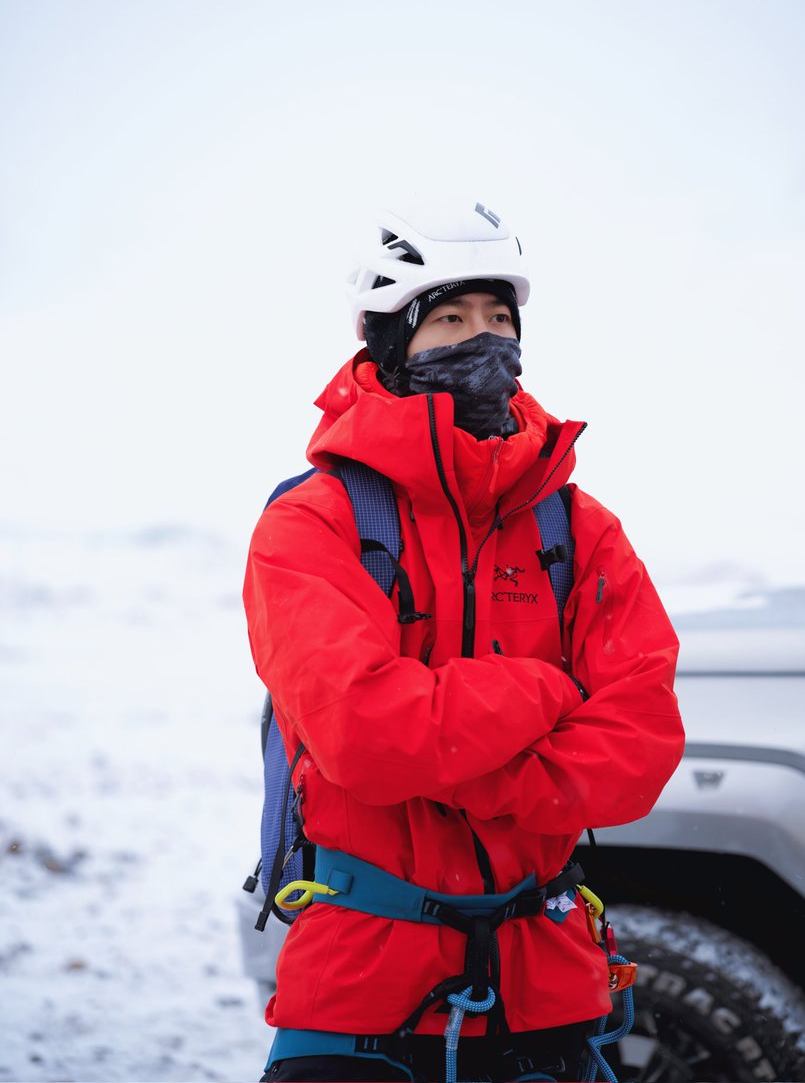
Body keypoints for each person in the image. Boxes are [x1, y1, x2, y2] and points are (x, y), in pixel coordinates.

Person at [242, 200, 684, 1083]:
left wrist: (452, 761)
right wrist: (546, 695)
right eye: (448, 318)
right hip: (359, 992)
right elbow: (366, 736)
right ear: (388, 343)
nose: (482, 340)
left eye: (498, 319)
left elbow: (639, 749)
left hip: (550, 990)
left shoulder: (579, 528)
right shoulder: (314, 523)